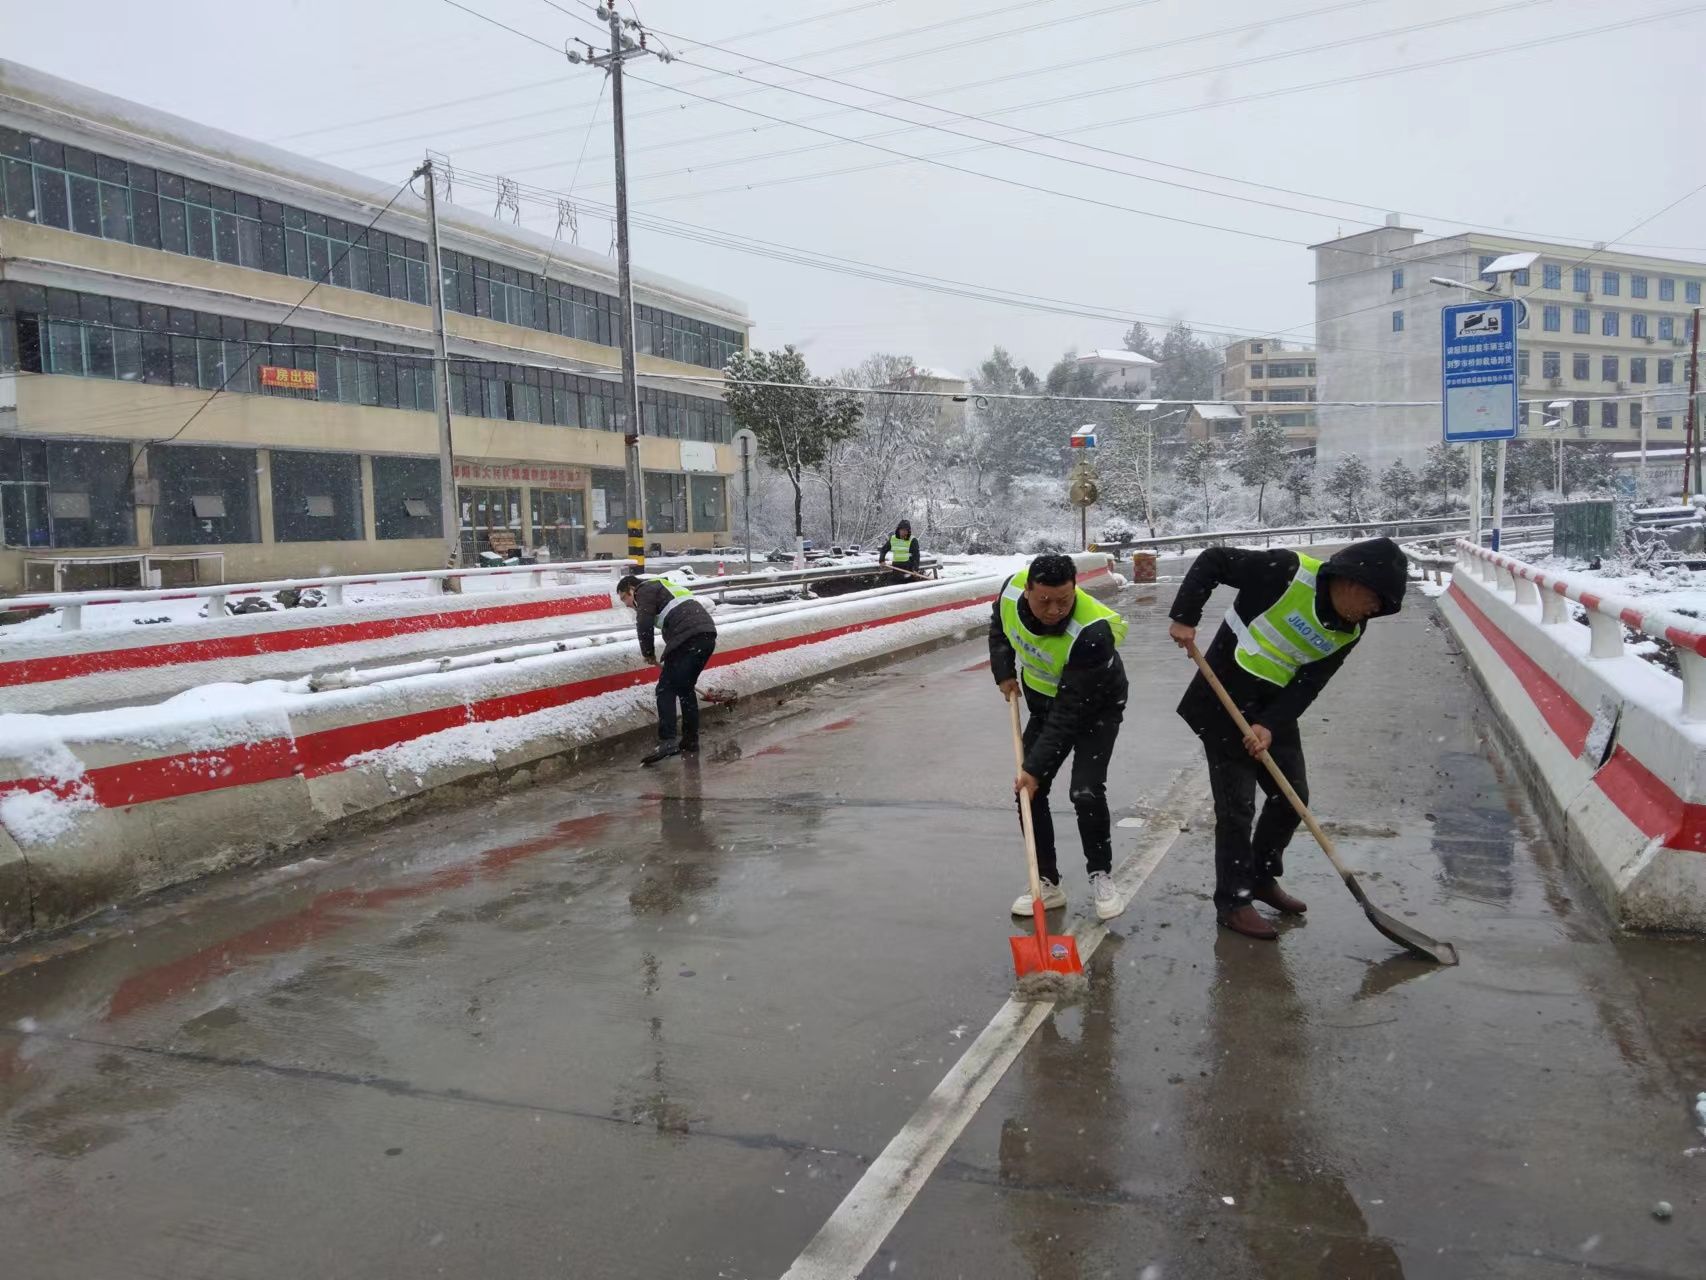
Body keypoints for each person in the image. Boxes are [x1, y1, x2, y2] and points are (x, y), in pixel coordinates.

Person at [1165, 538, 1408, 939]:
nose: (1374, 611)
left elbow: (1310, 682)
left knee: (1291, 796)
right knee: (1237, 807)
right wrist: (1185, 616)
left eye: (1381, 608)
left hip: (1270, 709)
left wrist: (1271, 724)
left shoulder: (1352, 629)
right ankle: (1234, 899)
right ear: (1351, 579)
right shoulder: (1286, 571)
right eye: (1374, 600)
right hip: (1222, 696)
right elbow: (1213, 561)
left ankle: (1261, 877)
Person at [990, 552, 1130, 921]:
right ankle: (1046, 882)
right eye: (1044, 601)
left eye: (1064, 601)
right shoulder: (1009, 593)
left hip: (1096, 708)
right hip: (1043, 704)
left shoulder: (1092, 633)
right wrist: (1004, 670)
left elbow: (1069, 715)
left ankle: (1101, 874)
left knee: (1084, 790)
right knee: (1027, 791)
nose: (1054, 610)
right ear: (1027, 591)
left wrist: (1036, 767)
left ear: (1075, 590)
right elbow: (999, 629)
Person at [618, 573, 719, 766]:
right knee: (685, 688)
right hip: (706, 635)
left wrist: (647, 652)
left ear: (632, 589)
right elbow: (672, 621)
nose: (627, 604)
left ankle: (668, 741)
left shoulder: (644, 591)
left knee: (665, 688)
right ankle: (690, 740)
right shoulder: (664, 588)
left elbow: (644, 624)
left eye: (625, 598)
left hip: (687, 639)